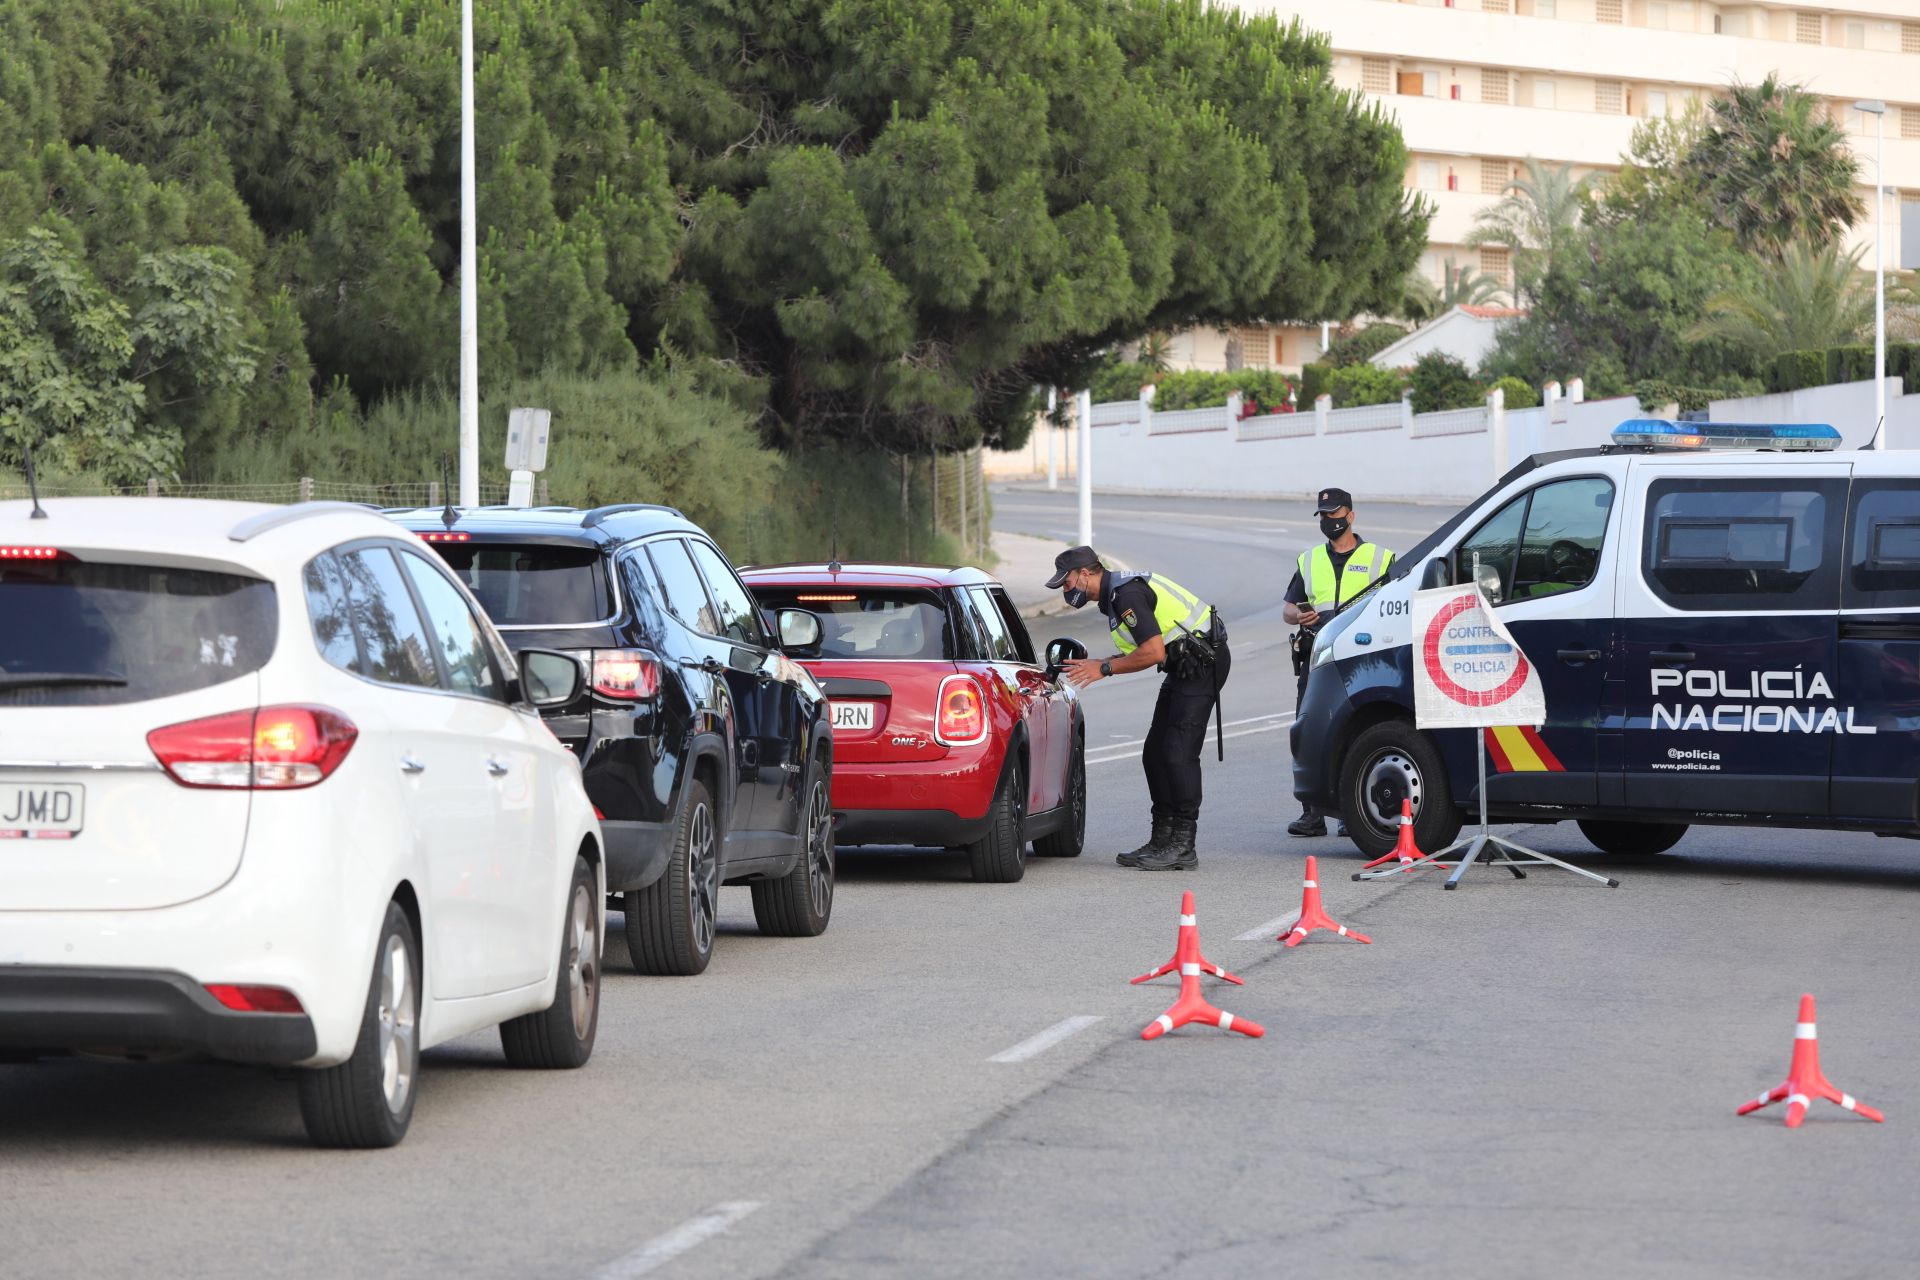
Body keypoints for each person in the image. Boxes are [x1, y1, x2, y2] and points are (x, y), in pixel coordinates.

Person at [1049, 546, 1228, 872]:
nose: (1066, 590)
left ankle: (1183, 845)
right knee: (1154, 753)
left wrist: (1103, 670)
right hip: (1184, 664)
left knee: (1177, 753)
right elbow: (1154, 651)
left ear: (1086, 574)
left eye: (1068, 582)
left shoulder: (1124, 596)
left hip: (1202, 664)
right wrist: (1102, 662)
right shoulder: (1115, 595)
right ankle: (1161, 838)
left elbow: (1154, 652)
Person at [1283, 488, 1394, 838]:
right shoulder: (1310, 559)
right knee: (1309, 730)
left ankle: (1351, 810)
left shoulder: (1381, 558)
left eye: (1335, 513)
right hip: (1317, 656)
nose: (1330, 521)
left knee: (1356, 729)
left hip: (1363, 656)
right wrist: (1298, 616)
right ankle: (1312, 813)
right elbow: (1288, 607)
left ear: (1351, 515)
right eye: (1324, 515)